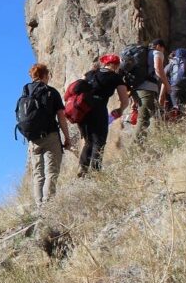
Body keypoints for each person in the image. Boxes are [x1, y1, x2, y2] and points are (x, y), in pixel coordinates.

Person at [23, 63, 72, 205]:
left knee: (38, 174)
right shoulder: (51, 91)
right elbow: (61, 116)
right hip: (50, 136)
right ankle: (48, 204)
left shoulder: (26, 92)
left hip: (33, 139)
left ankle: (39, 205)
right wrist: (67, 137)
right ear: (45, 75)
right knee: (51, 171)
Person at [78, 54, 129, 176]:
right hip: (99, 108)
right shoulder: (115, 77)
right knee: (99, 140)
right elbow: (125, 99)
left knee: (88, 140)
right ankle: (96, 172)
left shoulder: (90, 74)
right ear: (115, 65)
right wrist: (121, 109)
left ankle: (82, 168)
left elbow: (79, 88)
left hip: (83, 109)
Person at [132, 39, 172, 142]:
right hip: (147, 90)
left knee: (158, 114)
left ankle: (161, 140)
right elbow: (158, 69)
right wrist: (167, 85)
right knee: (143, 119)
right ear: (159, 46)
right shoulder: (157, 52)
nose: (163, 51)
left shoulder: (143, 55)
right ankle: (137, 148)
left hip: (137, 89)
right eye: (163, 49)